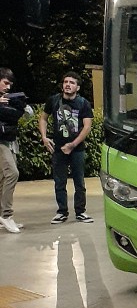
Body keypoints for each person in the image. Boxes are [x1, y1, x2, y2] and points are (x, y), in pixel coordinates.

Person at [39, 71, 94, 224]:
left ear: (78, 87)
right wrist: (44, 137)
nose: (68, 85)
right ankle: (62, 211)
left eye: (72, 82)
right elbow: (43, 118)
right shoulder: (54, 101)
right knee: (59, 181)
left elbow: (87, 126)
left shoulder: (83, 103)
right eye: (65, 82)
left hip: (77, 148)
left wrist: (73, 144)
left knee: (79, 181)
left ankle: (81, 211)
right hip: (58, 148)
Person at [0, 67, 27, 233]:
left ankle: (3, 217)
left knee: (3, 178)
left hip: (8, 141)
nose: (8, 87)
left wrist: (19, 106)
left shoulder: (9, 99)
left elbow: (26, 114)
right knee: (12, 173)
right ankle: (6, 215)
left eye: (10, 84)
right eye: (5, 83)